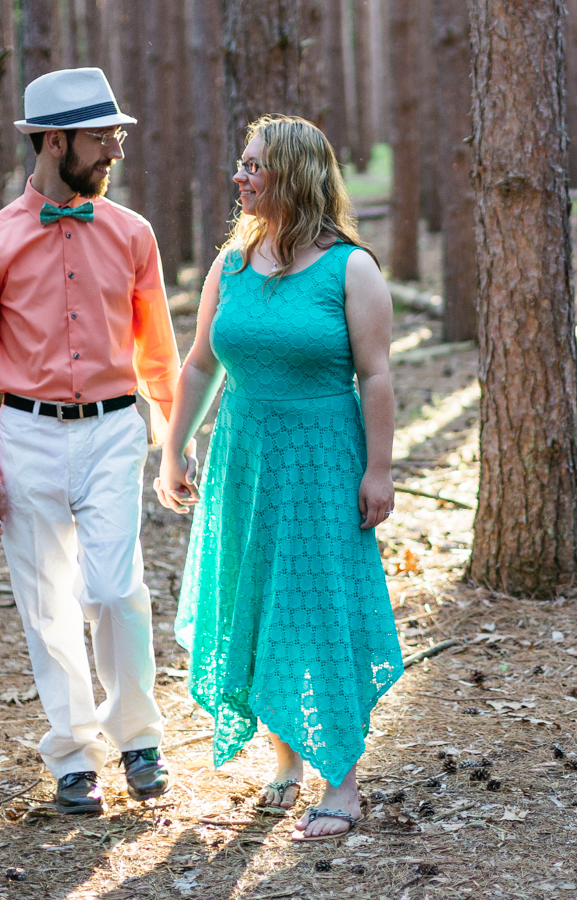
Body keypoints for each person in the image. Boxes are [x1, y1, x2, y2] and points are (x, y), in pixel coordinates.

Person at [0, 67, 181, 816]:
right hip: (26, 434)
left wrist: (174, 437)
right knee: (47, 602)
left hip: (115, 429)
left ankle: (138, 735)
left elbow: (158, 351)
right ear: (53, 142)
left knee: (116, 588)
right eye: (101, 137)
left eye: (116, 134)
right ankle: (74, 753)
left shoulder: (133, 232)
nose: (114, 148)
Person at [158, 115, 402, 842]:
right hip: (246, 459)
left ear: (294, 175)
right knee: (257, 599)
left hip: (324, 459)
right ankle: (284, 760)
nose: (241, 177)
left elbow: (378, 375)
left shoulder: (349, 268)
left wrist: (380, 468)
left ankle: (343, 780)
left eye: (255, 165)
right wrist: (174, 448)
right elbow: (201, 361)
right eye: (241, 163)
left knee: (320, 608)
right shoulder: (232, 263)